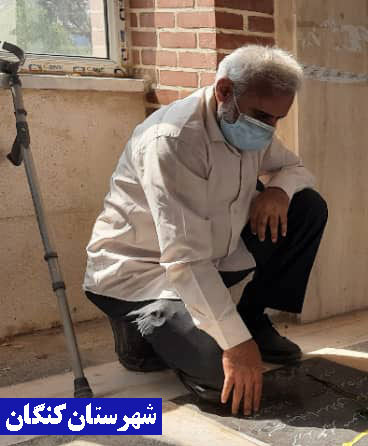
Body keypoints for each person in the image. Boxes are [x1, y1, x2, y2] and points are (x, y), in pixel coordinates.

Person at [83, 45, 328, 416]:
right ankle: (139, 339)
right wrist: (235, 344)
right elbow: (184, 259)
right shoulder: (173, 140)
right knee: (224, 383)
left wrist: (278, 190)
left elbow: (296, 169)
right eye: (263, 116)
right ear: (225, 91)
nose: (269, 129)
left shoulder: (247, 125)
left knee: (306, 207)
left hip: (209, 257)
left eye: (279, 119)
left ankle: (252, 318)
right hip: (142, 275)